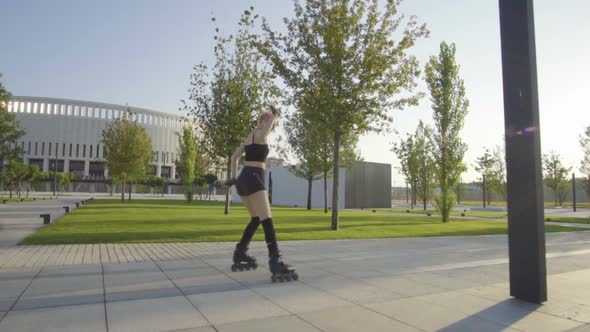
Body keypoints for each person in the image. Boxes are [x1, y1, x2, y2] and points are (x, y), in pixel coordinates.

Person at [225, 107, 298, 282]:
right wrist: (275, 115)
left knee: (256, 218)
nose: (272, 128)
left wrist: (233, 178)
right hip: (255, 177)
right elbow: (267, 126)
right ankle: (275, 261)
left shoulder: (249, 138)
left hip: (243, 179)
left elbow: (234, 158)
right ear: (265, 121)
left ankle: (240, 252)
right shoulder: (260, 134)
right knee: (267, 220)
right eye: (272, 125)